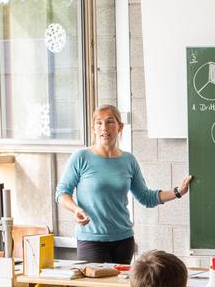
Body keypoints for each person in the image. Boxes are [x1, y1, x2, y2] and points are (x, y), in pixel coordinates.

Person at [55, 105, 193, 264]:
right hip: (91, 240)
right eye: (99, 123)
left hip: (123, 240)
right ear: (93, 128)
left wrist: (178, 192)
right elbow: (61, 193)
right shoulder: (81, 157)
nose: (104, 128)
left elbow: (146, 197)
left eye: (110, 122)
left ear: (120, 127)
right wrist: (76, 209)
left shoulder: (128, 160)